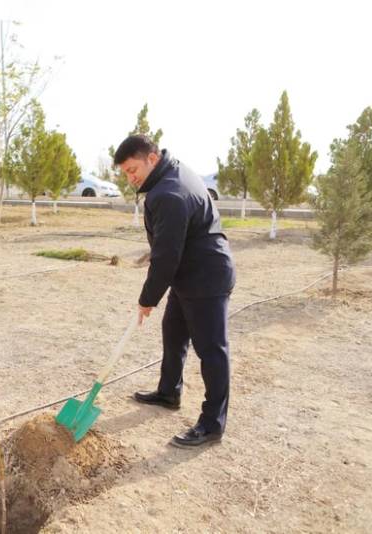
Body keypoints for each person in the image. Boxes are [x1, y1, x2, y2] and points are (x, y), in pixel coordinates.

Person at [114, 135, 235, 448]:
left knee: (211, 350)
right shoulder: (173, 172)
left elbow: (165, 256)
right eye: (125, 172)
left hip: (206, 277)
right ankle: (169, 392)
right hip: (188, 274)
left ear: (152, 158)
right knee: (174, 332)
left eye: (133, 169)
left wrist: (147, 299)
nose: (131, 177)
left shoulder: (167, 193)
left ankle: (212, 424)